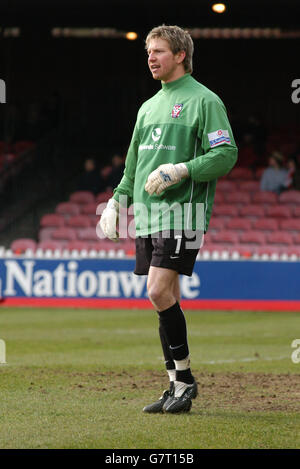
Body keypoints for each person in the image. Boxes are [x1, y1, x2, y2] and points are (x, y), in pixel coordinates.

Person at [100, 25, 238, 413]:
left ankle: (186, 380)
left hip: (183, 212)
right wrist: (116, 202)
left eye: (158, 50)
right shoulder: (147, 107)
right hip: (146, 216)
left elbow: (226, 155)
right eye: (148, 51)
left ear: (180, 55)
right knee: (166, 297)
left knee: (158, 291)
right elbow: (133, 166)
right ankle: (176, 386)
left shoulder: (204, 101)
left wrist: (181, 170)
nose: (151, 57)